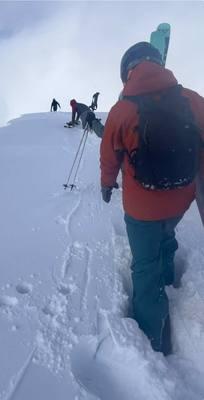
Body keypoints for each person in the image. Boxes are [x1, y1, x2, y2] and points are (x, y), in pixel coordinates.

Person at [99, 42, 204, 355]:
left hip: (142, 208)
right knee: (167, 237)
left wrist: (106, 185)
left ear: (128, 71)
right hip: (180, 197)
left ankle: (152, 345)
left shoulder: (121, 110)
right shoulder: (193, 100)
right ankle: (168, 279)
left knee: (144, 268)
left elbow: (109, 158)